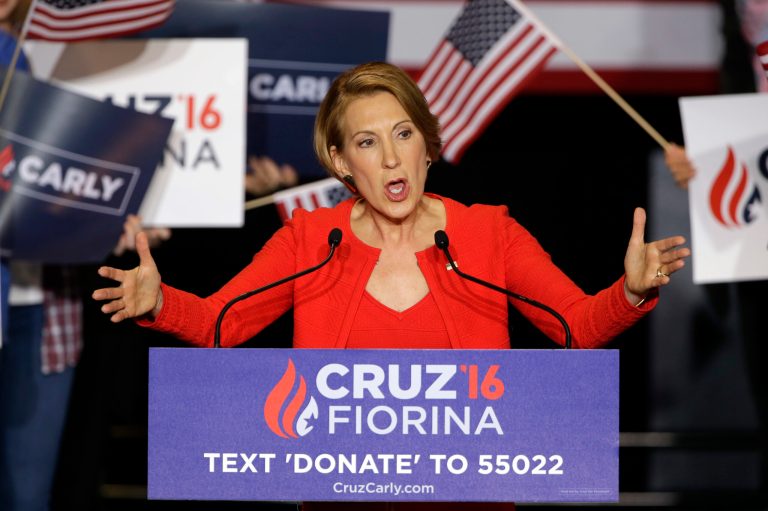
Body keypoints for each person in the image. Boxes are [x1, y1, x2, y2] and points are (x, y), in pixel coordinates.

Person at [93, 61, 690, 510]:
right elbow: (223, 324)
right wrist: (160, 303)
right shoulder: (310, 240)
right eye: (367, 143)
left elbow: (577, 327)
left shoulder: (489, 233)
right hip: (341, 499)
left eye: (404, 135)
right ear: (341, 162)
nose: (391, 159)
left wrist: (630, 292)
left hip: (472, 500)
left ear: (428, 145)